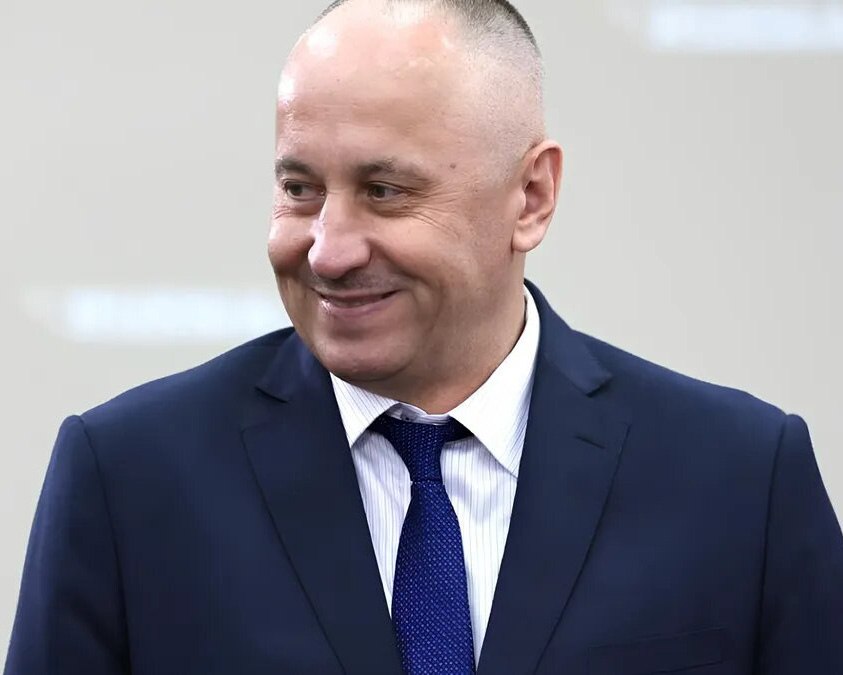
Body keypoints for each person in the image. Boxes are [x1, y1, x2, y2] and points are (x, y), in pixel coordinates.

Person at [5, 0, 843, 673]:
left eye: (384, 191)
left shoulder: (741, 478)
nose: (328, 250)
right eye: (299, 188)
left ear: (530, 197)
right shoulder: (128, 478)